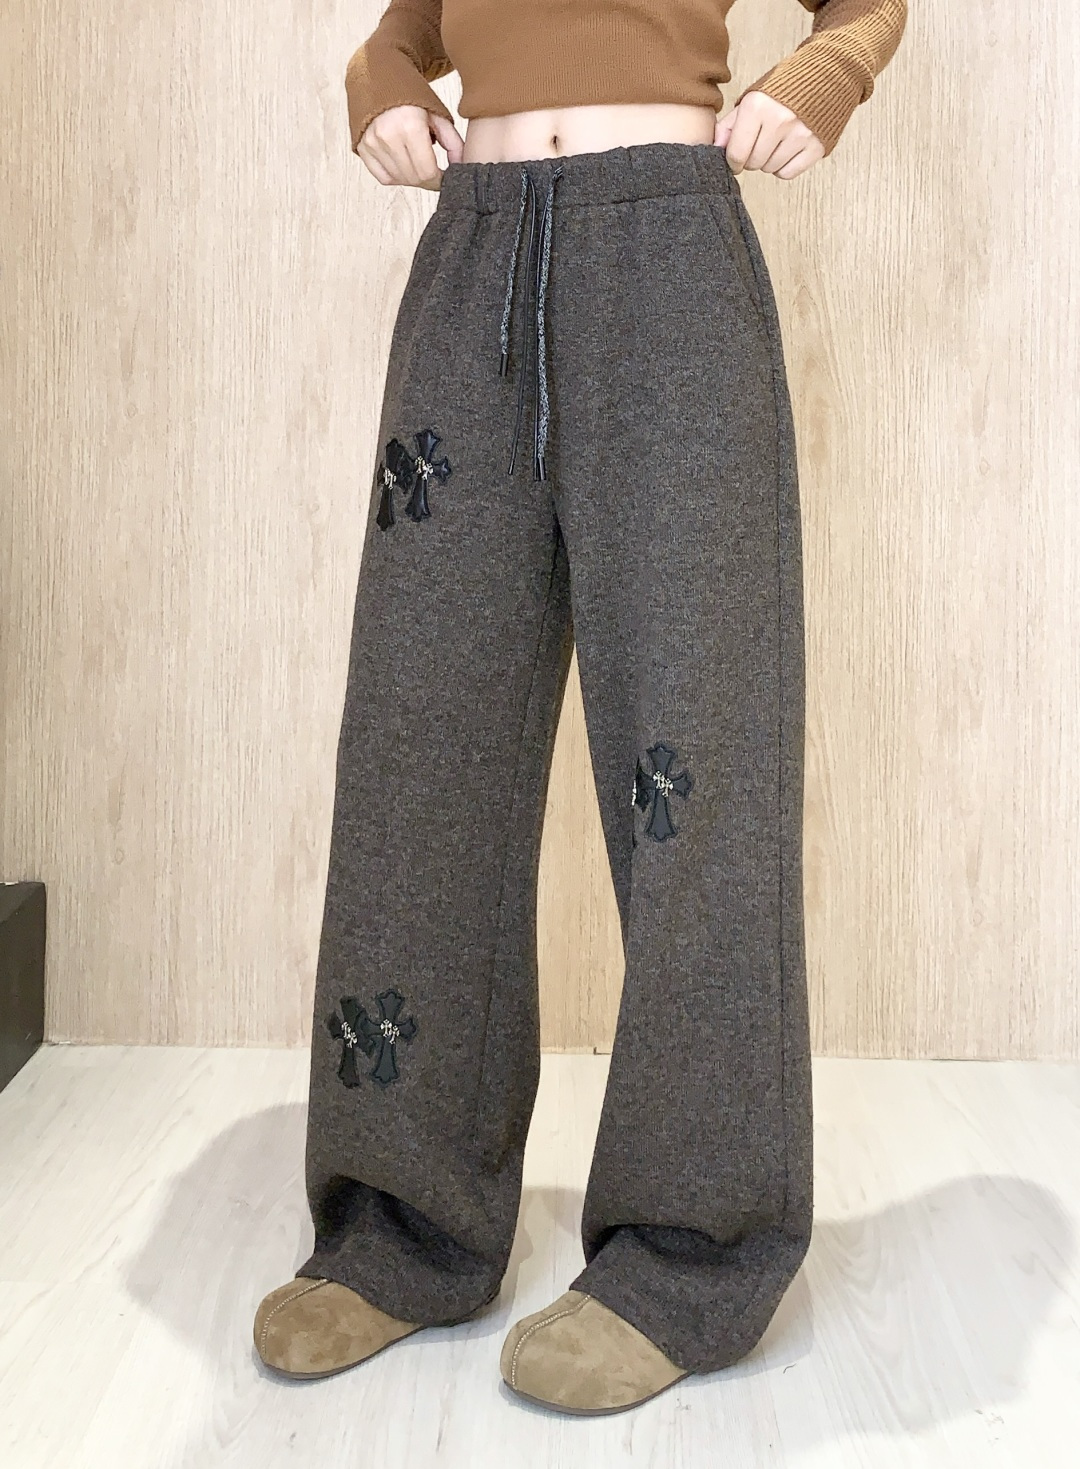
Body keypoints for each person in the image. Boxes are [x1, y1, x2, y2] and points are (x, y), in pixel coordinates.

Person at [254, 0, 908, 1416]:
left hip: (669, 256)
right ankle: (401, 1227)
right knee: (422, 747)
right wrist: (377, 94)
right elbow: (401, 38)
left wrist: (824, 75)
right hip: (473, 255)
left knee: (695, 760)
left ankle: (690, 1252)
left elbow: (866, 9)